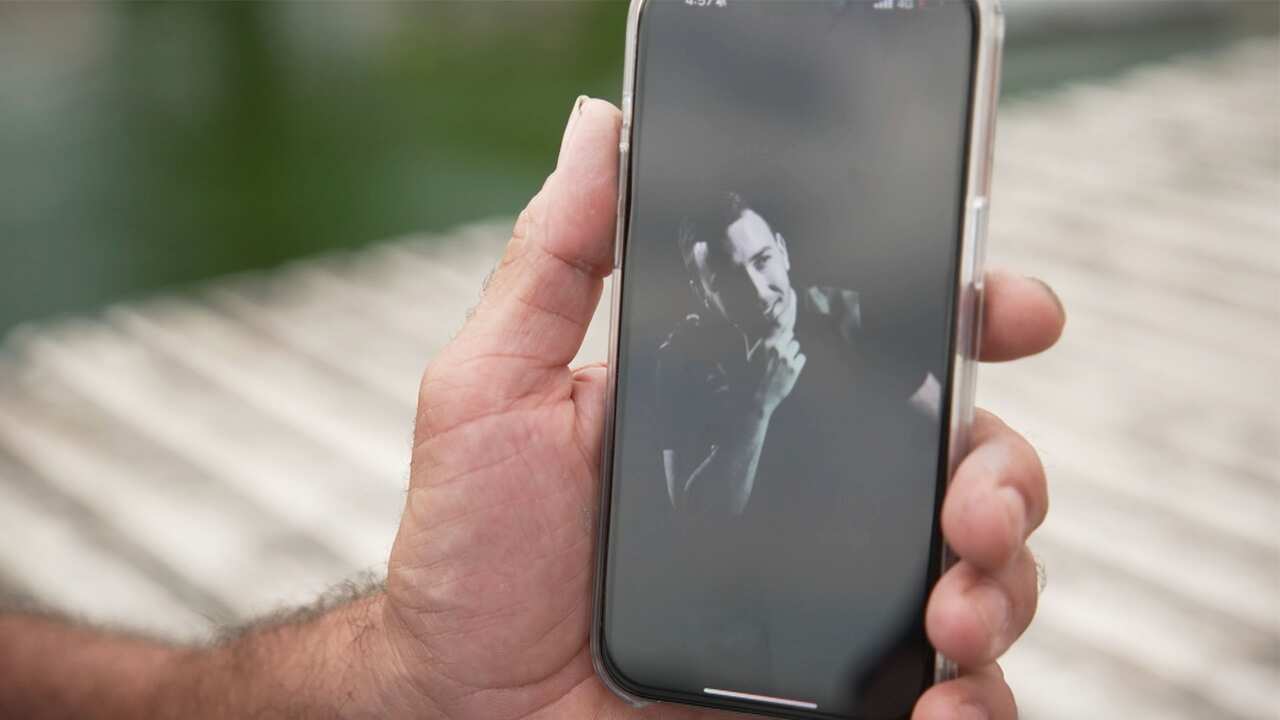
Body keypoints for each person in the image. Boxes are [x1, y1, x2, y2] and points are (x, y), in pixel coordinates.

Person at [0, 96, 1064, 720]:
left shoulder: (820, 317)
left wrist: (919, 402)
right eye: (738, 268)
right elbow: (690, 512)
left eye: (769, 256)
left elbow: (909, 393)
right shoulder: (682, 372)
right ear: (701, 282)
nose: (767, 281)